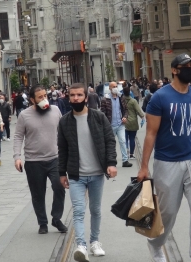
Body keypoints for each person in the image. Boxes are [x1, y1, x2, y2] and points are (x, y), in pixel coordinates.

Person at [137, 53, 191, 262]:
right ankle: (156, 244)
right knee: (167, 213)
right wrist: (144, 167)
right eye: (185, 66)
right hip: (167, 161)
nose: (190, 69)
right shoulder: (160, 97)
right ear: (175, 70)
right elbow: (151, 133)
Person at [58, 83, 117, 262]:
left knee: (96, 210)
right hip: (76, 174)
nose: (75, 98)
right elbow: (62, 149)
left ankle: (95, 242)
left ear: (85, 97)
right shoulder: (65, 121)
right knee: (78, 211)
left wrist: (111, 163)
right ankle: (81, 245)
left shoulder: (98, 117)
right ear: (68, 97)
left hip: (97, 173)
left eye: (79, 95)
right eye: (72, 95)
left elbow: (109, 141)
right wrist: (62, 173)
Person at [13, 85, 67, 234]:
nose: (44, 99)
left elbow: (62, 132)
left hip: (55, 158)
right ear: (32, 100)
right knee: (38, 193)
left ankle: (56, 218)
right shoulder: (24, 115)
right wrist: (17, 157)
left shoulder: (55, 110)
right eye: (40, 97)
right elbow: (18, 137)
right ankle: (42, 223)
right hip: (33, 161)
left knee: (59, 187)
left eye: (45, 96)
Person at [101, 82, 132, 167]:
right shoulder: (105, 99)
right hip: (110, 126)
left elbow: (126, 109)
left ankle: (125, 160)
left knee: (123, 141)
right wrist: (105, 124)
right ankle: (111, 162)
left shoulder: (121, 97)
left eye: (116, 86)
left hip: (120, 124)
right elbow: (102, 113)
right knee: (110, 144)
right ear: (110, 88)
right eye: (113, 87)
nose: (115, 88)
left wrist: (125, 117)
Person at [122, 85, 145, 159]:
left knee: (124, 139)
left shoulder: (121, 100)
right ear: (130, 92)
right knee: (132, 138)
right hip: (133, 122)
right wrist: (142, 117)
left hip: (123, 121)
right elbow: (138, 110)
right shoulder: (133, 101)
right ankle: (131, 154)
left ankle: (125, 153)